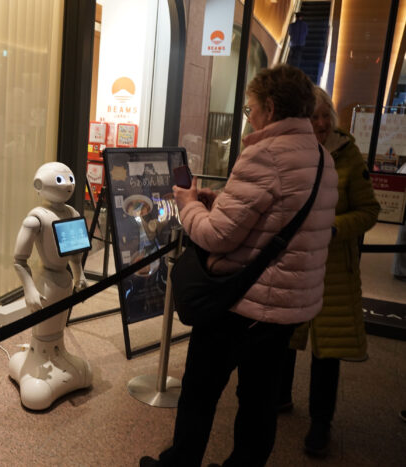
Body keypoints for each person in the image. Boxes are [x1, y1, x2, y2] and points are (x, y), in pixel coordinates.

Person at [140, 64, 338, 467]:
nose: (249, 117)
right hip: (287, 305)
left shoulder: (266, 154)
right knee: (259, 398)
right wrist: (220, 204)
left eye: (250, 109)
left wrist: (189, 205)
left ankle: (180, 463)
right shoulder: (321, 159)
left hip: (242, 302)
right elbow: (273, 220)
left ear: (270, 107)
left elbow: (215, 237)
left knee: (200, 389)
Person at [279, 86, 380, 457]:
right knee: (285, 335)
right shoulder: (291, 151)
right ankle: (280, 396)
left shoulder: (348, 154)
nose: (321, 123)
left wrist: (333, 227)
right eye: (313, 116)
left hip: (333, 267)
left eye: (326, 116)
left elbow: (369, 211)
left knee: (328, 349)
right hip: (294, 261)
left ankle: (321, 423)